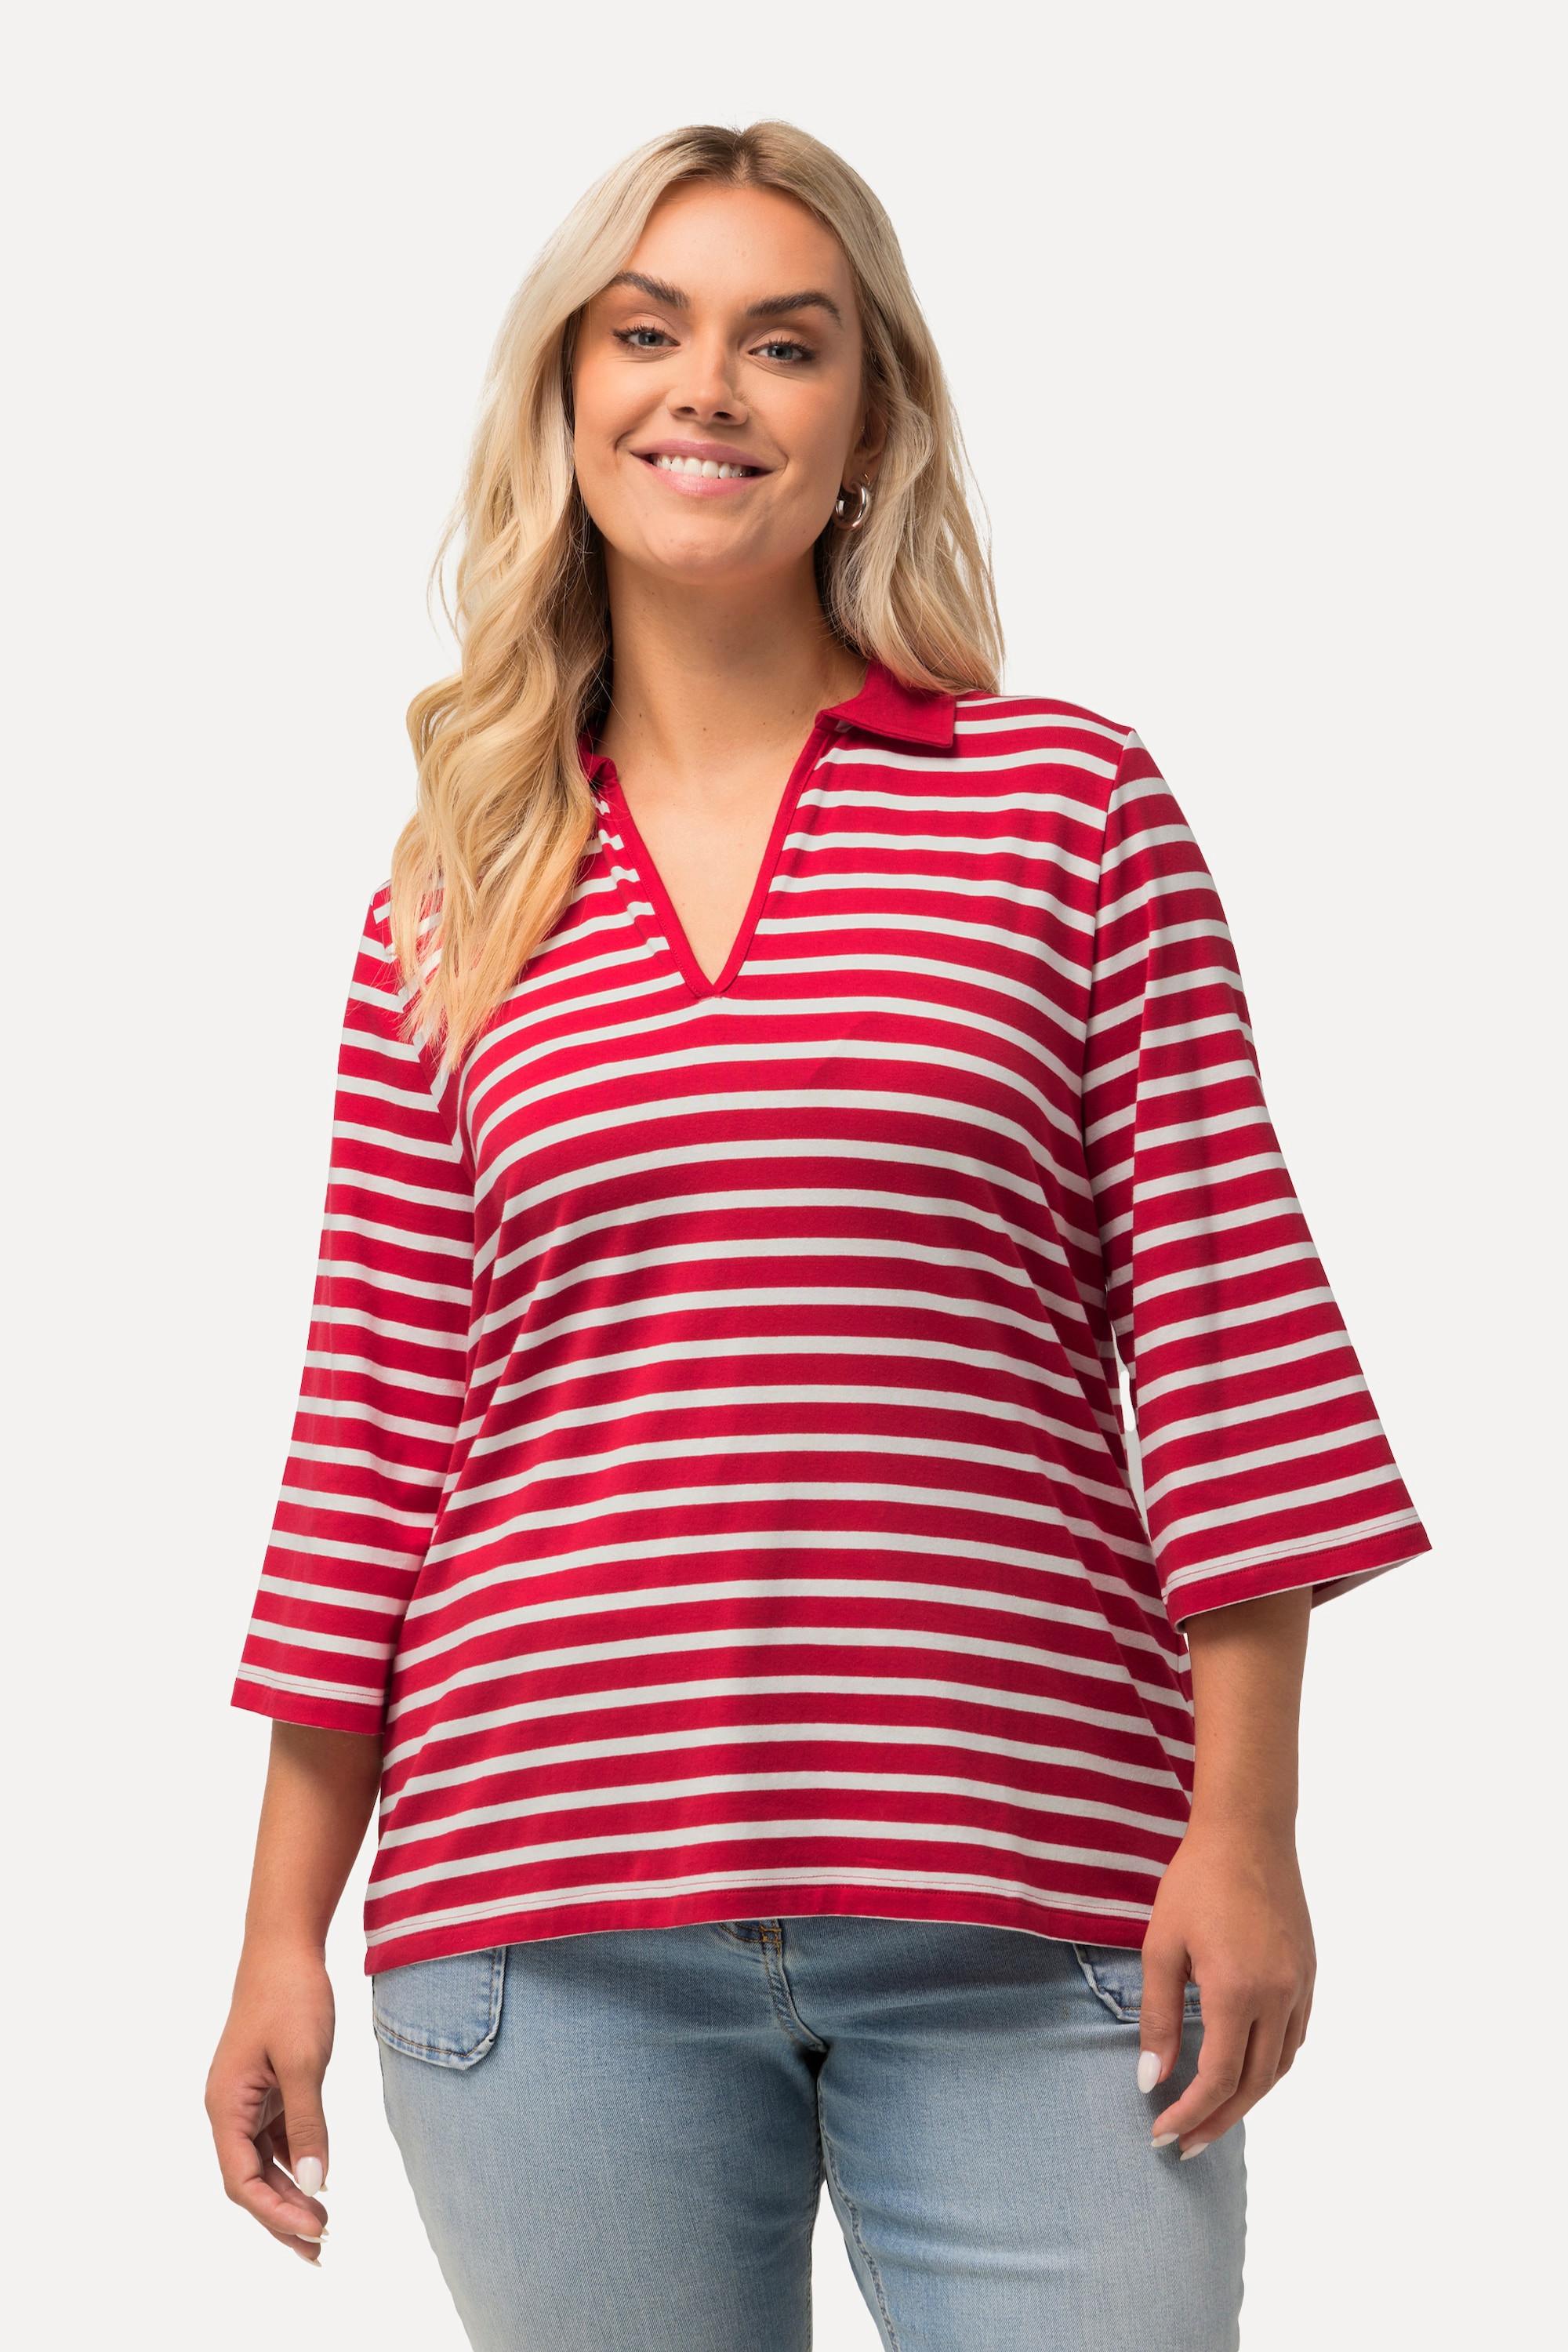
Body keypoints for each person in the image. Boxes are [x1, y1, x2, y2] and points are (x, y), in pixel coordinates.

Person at [205, 119, 1432, 2351]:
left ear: (871, 425)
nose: (710, 387)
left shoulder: (1063, 808)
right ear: (567, 397)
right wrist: (276, 1932)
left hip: (1037, 1901)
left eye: (786, 343)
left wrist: (1247, 1831)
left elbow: (1227, 1329)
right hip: (540, 1918)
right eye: (646, 333)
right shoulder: (451, 895)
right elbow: (372, 1429)